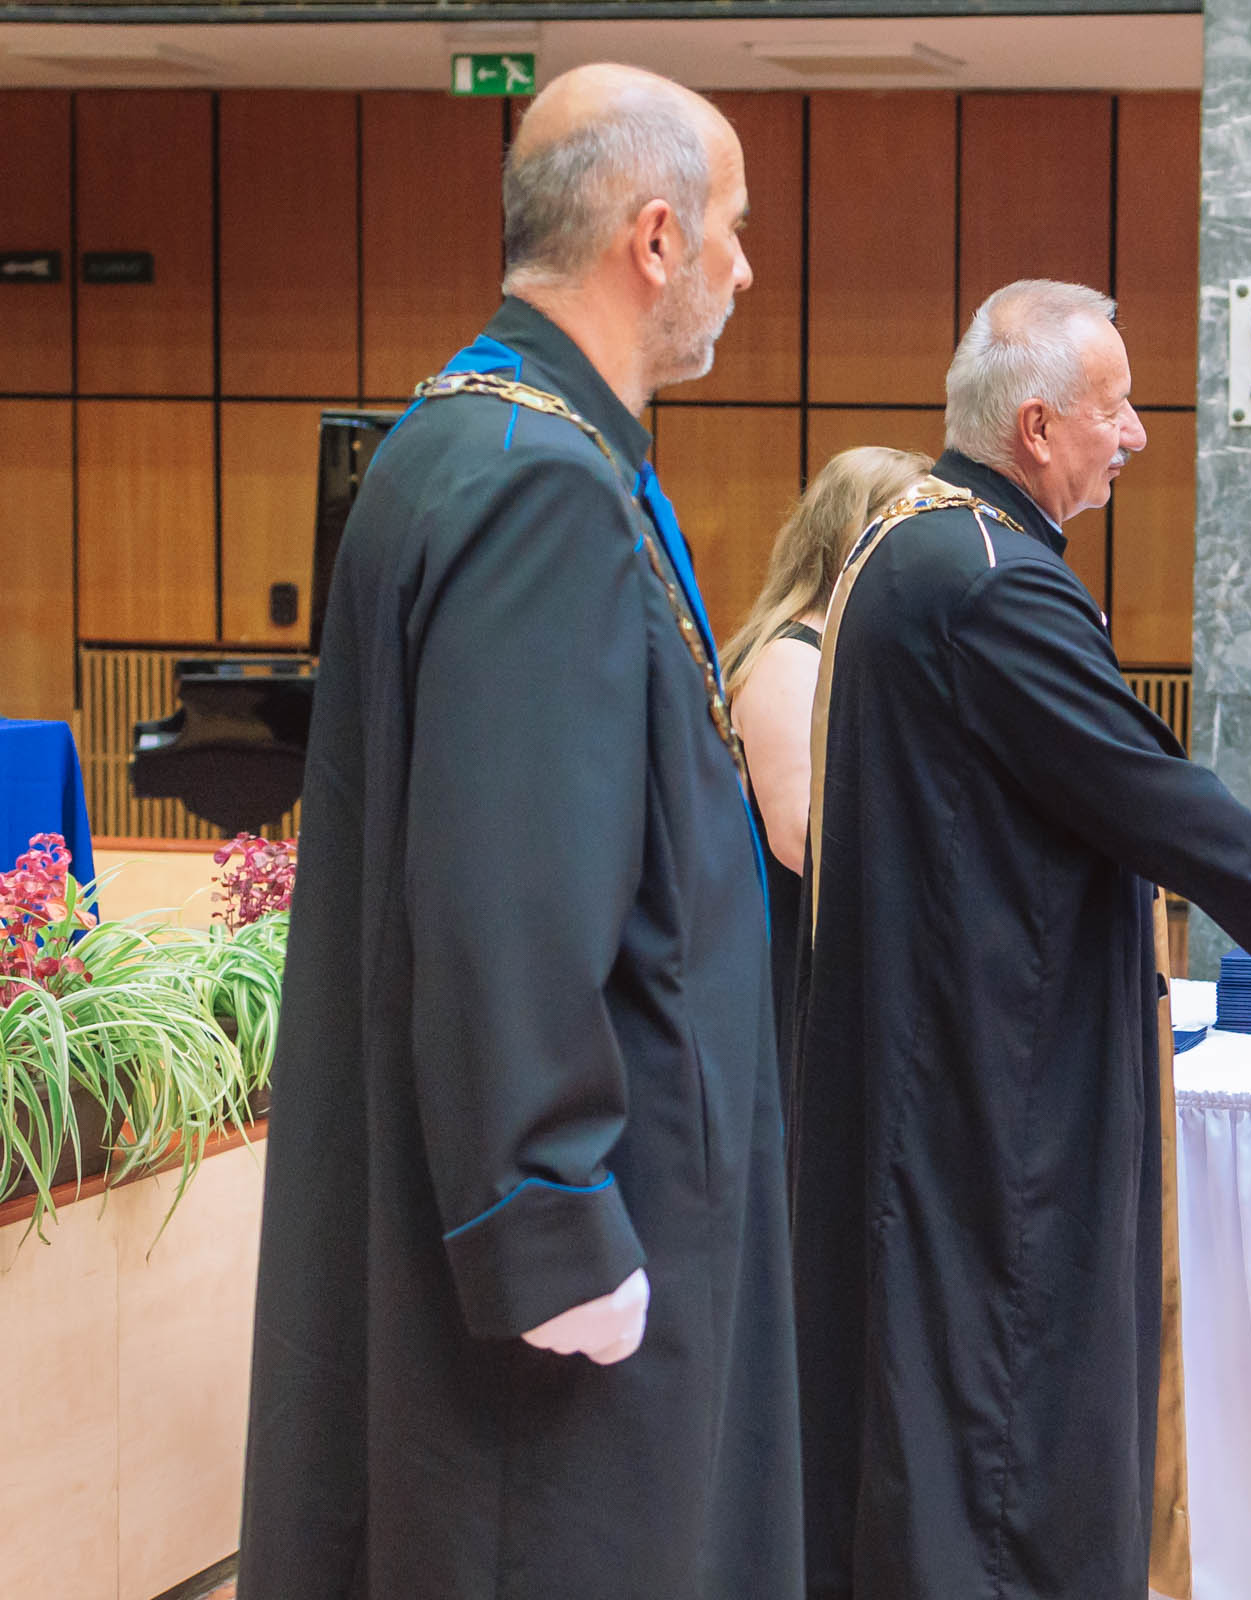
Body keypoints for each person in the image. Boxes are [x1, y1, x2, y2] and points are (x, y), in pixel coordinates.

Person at [795, 278, 1251, 1600]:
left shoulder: (917, 541)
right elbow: (1142, 788)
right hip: (992, 1080)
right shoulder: (991, 581)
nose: (1139, 434)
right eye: (1118, 407)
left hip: (930, 1043)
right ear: (1038, 427)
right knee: (1003, 1416)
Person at [239, 64, 805, 1597]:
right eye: (734, 229)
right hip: (575, 1263)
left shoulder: (471, 436)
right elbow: (505, 891)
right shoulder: (539, 487)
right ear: (655, 238)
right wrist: (550, 1219)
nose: (747, 269)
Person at [723, 444, 931, 1078]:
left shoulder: (856, 647)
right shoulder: (791, 658)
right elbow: (802, 840)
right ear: (854, 537)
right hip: (795, 964)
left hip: (845, 950)